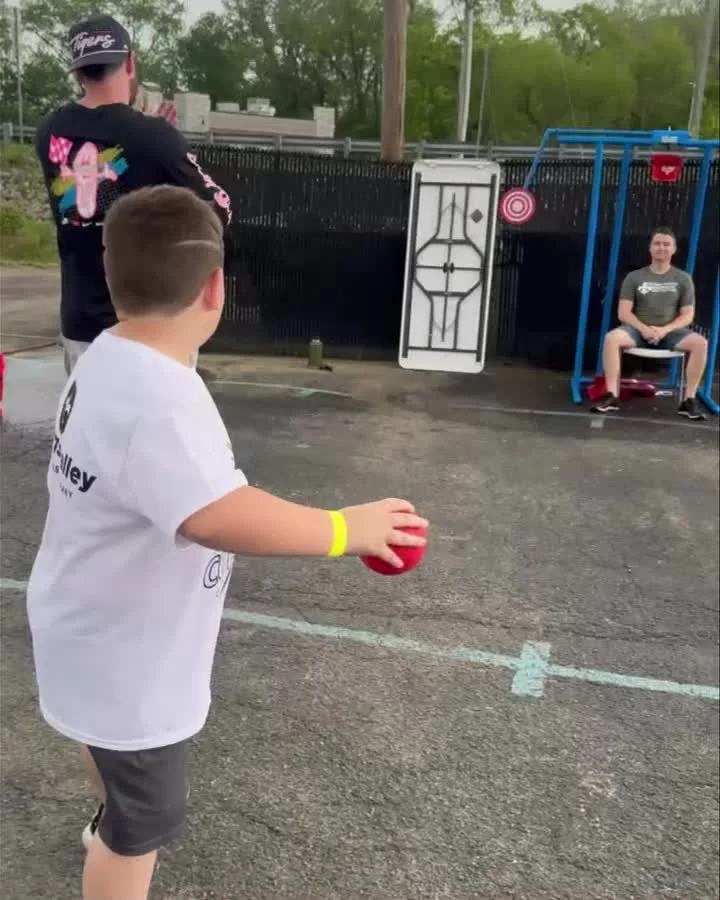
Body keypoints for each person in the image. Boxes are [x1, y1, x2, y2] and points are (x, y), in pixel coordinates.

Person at [26, 184, 429, 900]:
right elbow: (218, 514)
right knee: (145, 820)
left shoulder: (106, 355)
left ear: (112, 278)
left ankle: (113, 814)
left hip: (82, 623)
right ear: (215, 288)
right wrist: (347, 529)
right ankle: (118, 836)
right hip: (126, 655)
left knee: (117, 762)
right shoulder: (161, 398)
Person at [35, 14, 231, 375]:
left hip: (80, 323)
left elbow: (100, 166)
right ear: (129, 61)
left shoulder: (48, 131)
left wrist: (148, 137)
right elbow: (218, 208)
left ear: (79, 73)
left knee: (89, 428)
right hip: (149, 324)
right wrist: (165, 145)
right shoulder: (152, 136)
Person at [591, 227, 708, 420]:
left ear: (674, 249)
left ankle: (689, 400)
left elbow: (688, 315)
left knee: (700, 343)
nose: (661, 247)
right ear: (650, 248)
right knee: (612, 338)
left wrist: (664, 330)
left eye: (666, 244)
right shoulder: (634, 277)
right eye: (657, 243)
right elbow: (623, 313)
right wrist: (644, 329)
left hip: (670, 332)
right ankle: (611, 395)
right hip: (638, 330)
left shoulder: (683, 279)